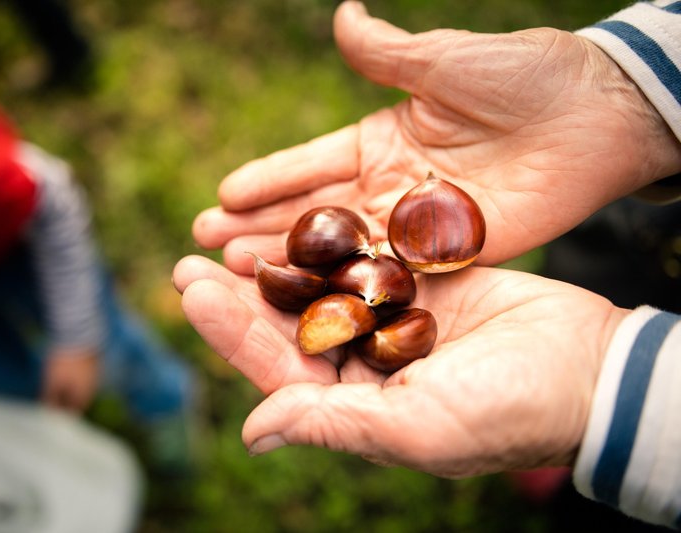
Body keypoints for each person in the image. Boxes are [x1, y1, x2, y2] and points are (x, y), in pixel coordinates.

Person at [173, 1, 681, 529]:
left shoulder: (376, 282)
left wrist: (612, 390)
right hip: (640, 244)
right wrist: (632, 87)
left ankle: (595, 458)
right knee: (601, 264)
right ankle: (576, 455)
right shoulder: (371, 278)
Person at [0, 66, 195, 468]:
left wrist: (77, 340)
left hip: (12, 240)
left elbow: (50, 196)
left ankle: (163, 403)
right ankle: (51, 443)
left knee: (111, 348)